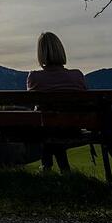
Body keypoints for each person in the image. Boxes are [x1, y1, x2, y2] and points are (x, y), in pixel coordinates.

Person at [26, 32, 87, 173]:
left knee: (49, 127)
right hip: (72, 129)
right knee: (56, 126)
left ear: (40, 54)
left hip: (46, 129)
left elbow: (32, 103)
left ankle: (46, 167)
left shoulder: (34, 77)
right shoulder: (77, 76)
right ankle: (63, 169)